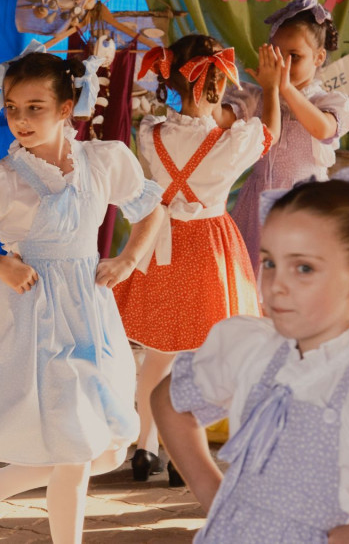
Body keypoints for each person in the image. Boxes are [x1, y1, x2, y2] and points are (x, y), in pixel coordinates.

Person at [0, 47, 165, 544]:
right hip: (35, 317)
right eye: (12, 107)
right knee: (75, 452)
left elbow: (152, 211)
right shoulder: (1, 178)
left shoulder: (104, 160)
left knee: (99, 448)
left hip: (91, 313)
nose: (21, 120)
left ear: (65, 107)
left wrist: (127, 260)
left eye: (35, 107)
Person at [153, 167, 349, 543]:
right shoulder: (249, 346)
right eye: (270, 262)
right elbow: (169, 401)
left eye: (303, 267)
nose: (278, 284)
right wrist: (215, 495)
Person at [111, 34, 280, 484]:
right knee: (202, 356)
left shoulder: (152, 134)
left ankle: (145, 447)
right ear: (220, 85)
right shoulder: (232, 143)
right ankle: (186, 454)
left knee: (156, 355)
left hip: (160, 244)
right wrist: (274, 88)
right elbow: (272, 133)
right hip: (209, 246)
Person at [228, 0, 349, 274]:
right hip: (258, 208)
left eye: (294, 57)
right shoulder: (258, 98)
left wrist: (283, 87)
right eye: (277, 55)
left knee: (297, 286)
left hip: (305, 209)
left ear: (319, 57)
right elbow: (225, 118)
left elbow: (323, 129)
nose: (283, 65)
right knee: (252, 287)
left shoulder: (327, 102)